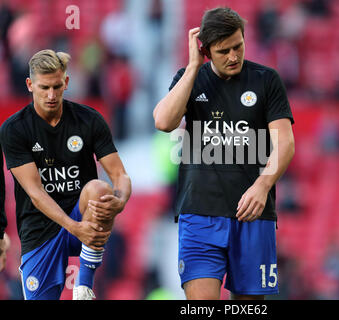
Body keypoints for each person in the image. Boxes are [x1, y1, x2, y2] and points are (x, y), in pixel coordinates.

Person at [153, 7, 295, 300]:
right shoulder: (189, 79)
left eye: (238, 46)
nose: (233, 56)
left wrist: (262, 185)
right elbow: (163, 121)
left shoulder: (266, 80)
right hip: (200, 213)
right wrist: (193, 68)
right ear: (205, 50)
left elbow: (285, 143)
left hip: (252, 214)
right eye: (223, 51)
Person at [0, 49, 132, 300]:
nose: (51, 95)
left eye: (57, 87)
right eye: (44, 88)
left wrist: (121, 200)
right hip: (40, 229)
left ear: (66, 82)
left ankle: (84, 285)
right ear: (29, 85)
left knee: (101, 190)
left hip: (82, 217)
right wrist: (75, 227)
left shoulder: (89, 120)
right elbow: (36, 194)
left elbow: (120, 175)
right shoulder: (14, 129)